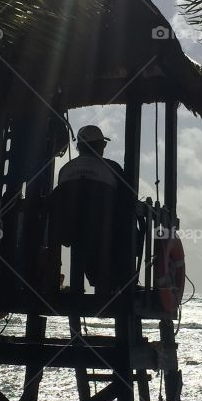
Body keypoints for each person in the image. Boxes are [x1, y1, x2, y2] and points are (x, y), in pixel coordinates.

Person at [52, 125, 132, 292]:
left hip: (69, 231)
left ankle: (78, 288)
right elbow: (128, 200)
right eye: (103, 145)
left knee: (86, 242)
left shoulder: (65, 170)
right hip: (103, 231)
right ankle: (119, 284)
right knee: (129, 227)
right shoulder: (112, 168)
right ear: (98, 146)